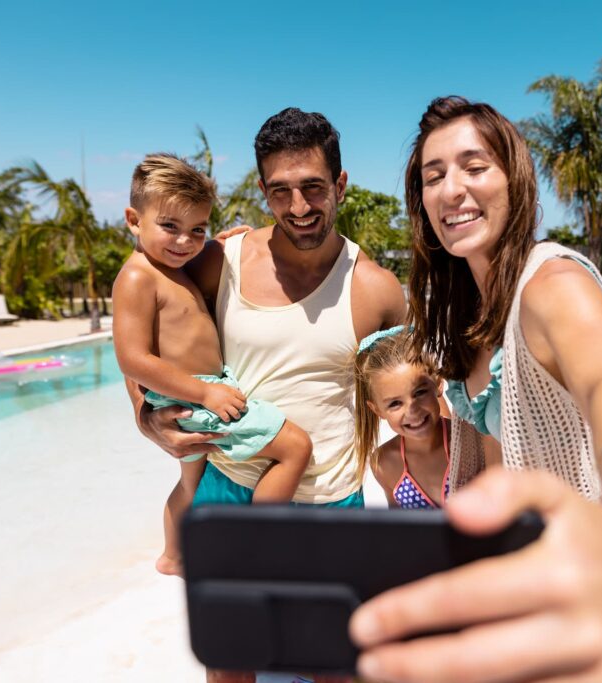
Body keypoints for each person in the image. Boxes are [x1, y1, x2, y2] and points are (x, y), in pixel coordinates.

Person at [348, 96, 602, 682]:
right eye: (435, 176)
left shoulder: (552, 285)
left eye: (474, 167)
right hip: (509, 598)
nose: (452, 189)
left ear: (515, 178)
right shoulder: (459, 311)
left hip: (573, 594)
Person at [125, 109, 406, 682]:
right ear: (262, 191)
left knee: (334, 665)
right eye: (281, 191)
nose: (299, 207)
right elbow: (151, 337)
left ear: (341, 186)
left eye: (313, 188)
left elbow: (410, 395)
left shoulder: (376, 289)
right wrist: (146, 417)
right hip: (230, 484)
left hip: (330, 502)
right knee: (231, 663)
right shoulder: (216, 260)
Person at [112, 153, 312, 577]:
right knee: (296, 447)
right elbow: (132, 358)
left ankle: (172, 557)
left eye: (196, 230)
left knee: (189, 484)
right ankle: (255, 543)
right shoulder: (137, 277)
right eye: (170, 227)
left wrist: (225, 243)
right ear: (134, 219)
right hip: (195, 395)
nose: (184, 241)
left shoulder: (173, 268)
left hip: (199, 390)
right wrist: (205, 392)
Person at [354, 326, 451, 509]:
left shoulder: (472, 442)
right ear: (377, 410)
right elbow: (400, 528)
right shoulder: (384, 463)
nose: (412, 410)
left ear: (438, 384)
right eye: (395, 404)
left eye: (420, 392)